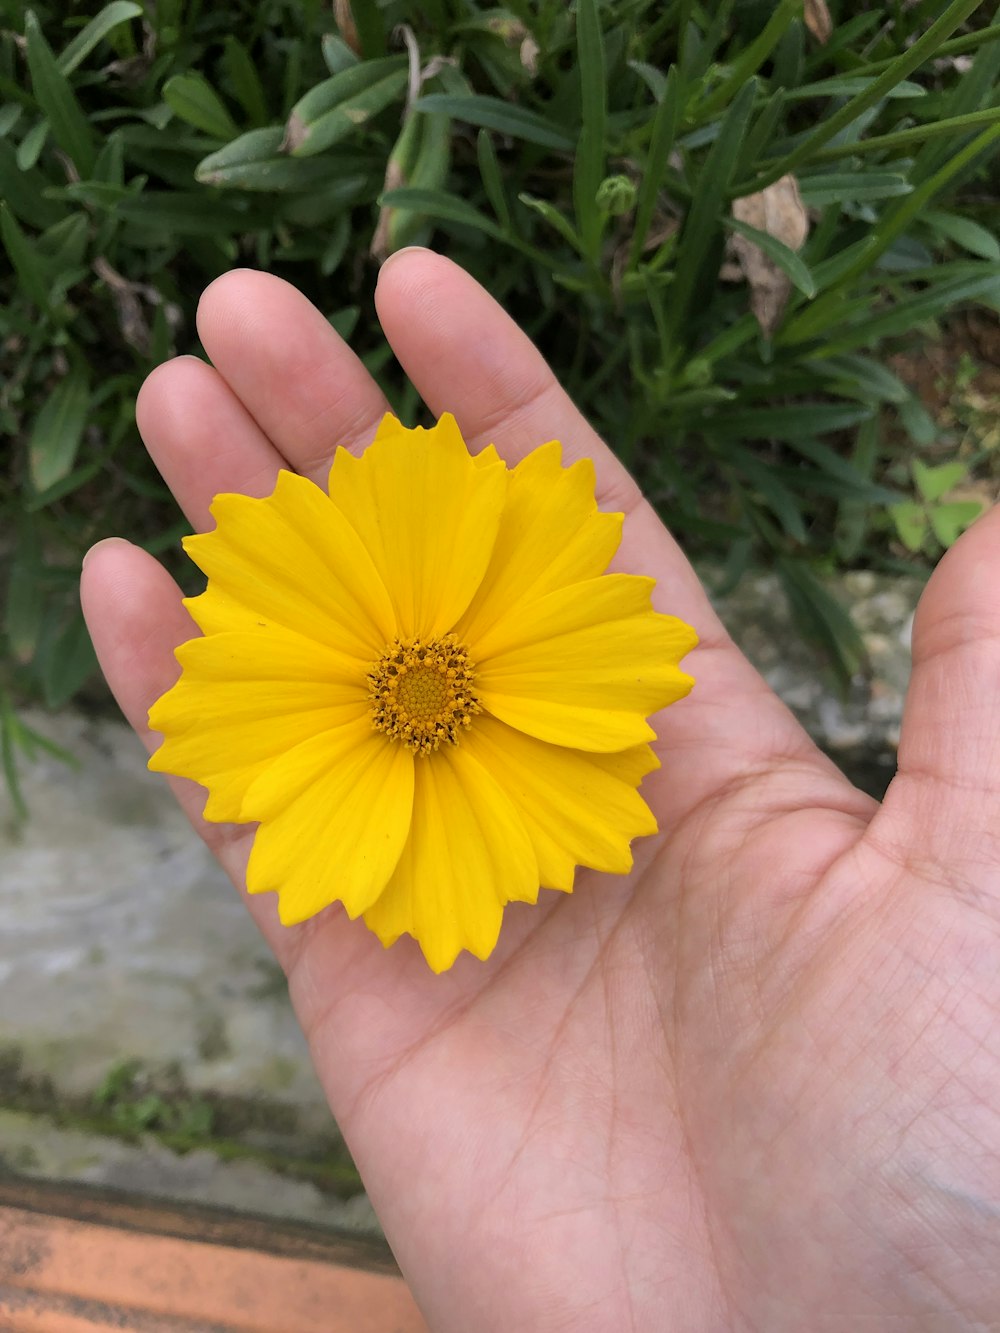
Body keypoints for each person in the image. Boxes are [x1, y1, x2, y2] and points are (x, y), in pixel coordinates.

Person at [80, 250, 1000, 1331]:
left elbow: (594, 715)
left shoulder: (542, 686)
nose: (423, 692)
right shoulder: (311, 686)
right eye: (414, 690)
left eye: (431, 687)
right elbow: (232, 723)